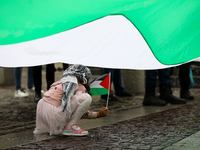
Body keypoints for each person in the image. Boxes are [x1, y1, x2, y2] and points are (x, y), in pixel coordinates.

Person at [33, 64, 109, 136]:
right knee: (86, 97)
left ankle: (56, 126)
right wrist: (98, 114)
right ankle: (70, 127)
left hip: (43, 113)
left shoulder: (62, 81)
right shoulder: (78, 85)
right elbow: (80, 110)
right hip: (54, 113)